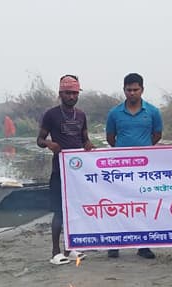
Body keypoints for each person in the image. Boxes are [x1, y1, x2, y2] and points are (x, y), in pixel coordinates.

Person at [104, 73, 163, 259]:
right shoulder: (114, 113)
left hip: (145, 168)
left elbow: (157, 135)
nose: (132, 93)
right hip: (120, 167)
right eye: (128, 90)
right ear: (124, 90)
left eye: (135, 89)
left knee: (142, 205)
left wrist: (141, 151)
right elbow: (110, 138)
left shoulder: (153, 112)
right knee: (118, 204)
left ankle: (143, 245)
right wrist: (125, 154)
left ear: (142, 90)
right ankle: (115, 243)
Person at [37, 75, 94, 265]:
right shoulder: (51, 114)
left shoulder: (81, 115)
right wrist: (50, 144)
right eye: (68, 93)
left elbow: (84, 138)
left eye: (75, 93)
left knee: (74, 210)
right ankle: (55, 252)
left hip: (77, 173)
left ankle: (70, 249)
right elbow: (39, 140)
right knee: (60, 211)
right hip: (59, 170)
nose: (71, 96)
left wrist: (88, 144)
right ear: (60, 94)